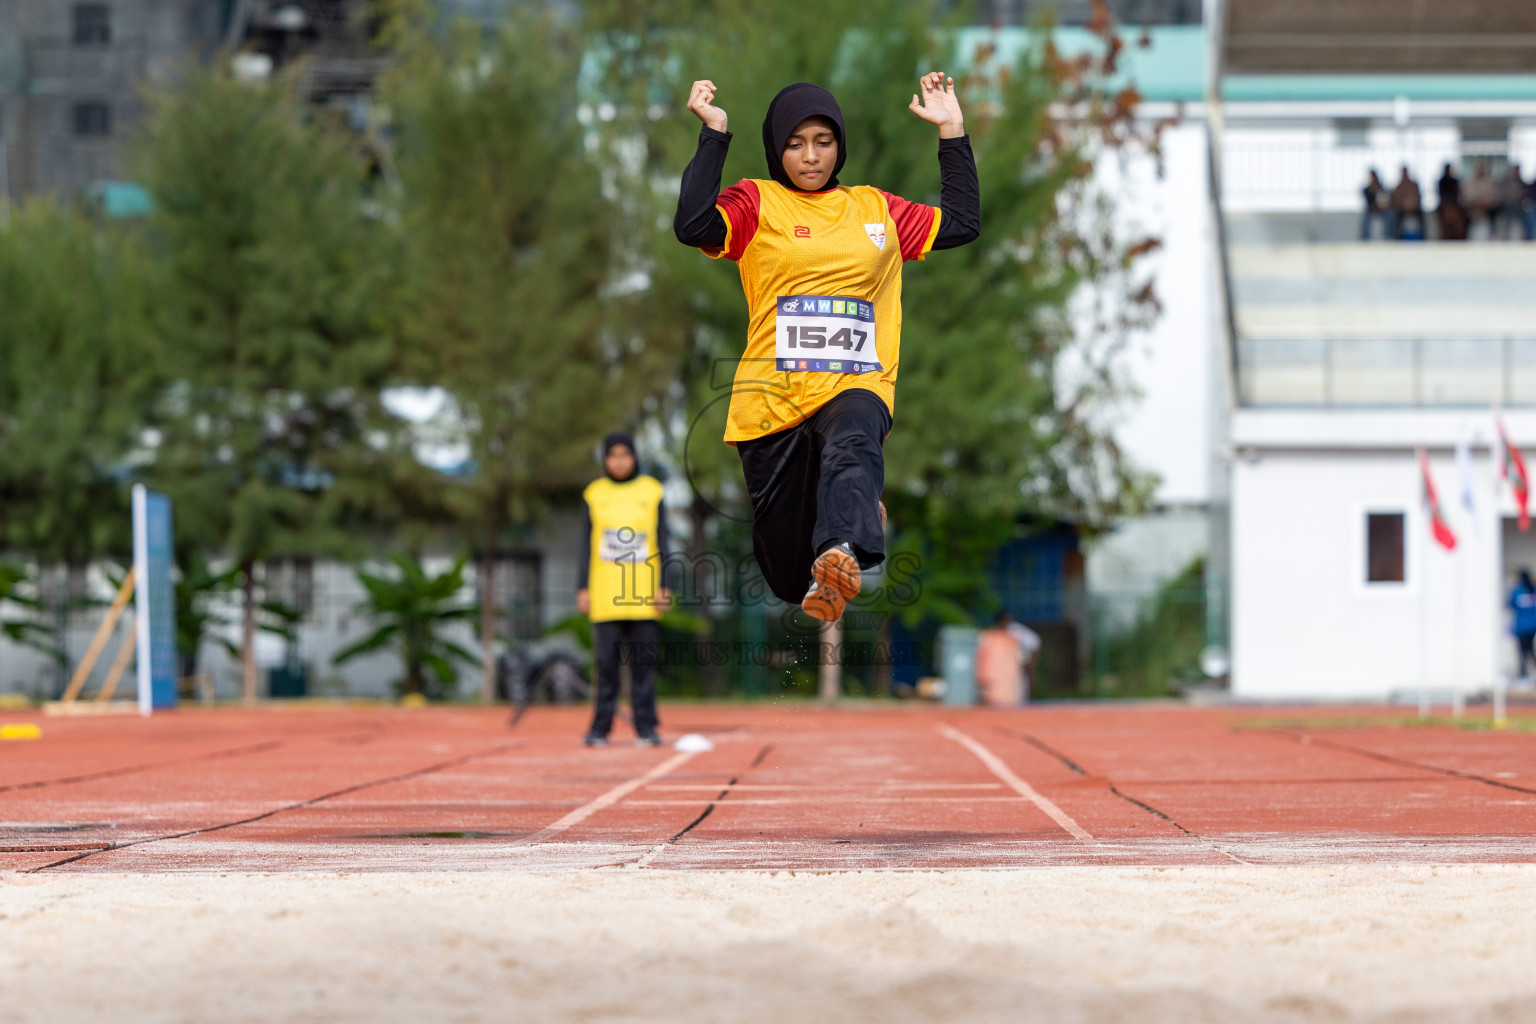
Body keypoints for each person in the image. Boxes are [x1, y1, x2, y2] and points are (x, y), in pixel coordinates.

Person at [673, 74, 980, 623]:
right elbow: (693, 224)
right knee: (791, 579)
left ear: (839, 146)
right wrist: (715, 133)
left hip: (854, 385)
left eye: (823, 141)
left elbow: (961, 223)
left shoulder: (874, 209)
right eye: (795, 144)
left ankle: (844, 539)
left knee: (854, 439)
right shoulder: (756, 202)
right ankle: (851, 509)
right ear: (775, 149)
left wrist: (952, 133)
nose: (810, 157)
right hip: (771, 405)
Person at [576, 432, 671, 747]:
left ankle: (646, 728)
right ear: (604, 459)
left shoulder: (652, 491)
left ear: (634, 457)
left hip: (644, 593)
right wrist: (582, 587)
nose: (619, 461)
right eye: (612, 455)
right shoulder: (594, 494)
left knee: (643, 667)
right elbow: (584, 546)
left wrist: (665, 584)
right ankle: (600, 729)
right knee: (606, 667)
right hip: (605, 594)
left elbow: (665, 542)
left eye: (625, 454)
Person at [1510, 569, 1536, 684]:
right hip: (1532, 625)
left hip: (1522, 626)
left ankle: (1523, 674)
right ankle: (1527, 674)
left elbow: (1510, 603)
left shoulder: (1518, 590)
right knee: (1530, 650)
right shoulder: (1532, 589)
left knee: (1522, 651)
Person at [1464, 162, 1498, 239]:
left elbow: (1493, 196)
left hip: (1487, 208)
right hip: (1474, 208)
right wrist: (1477, 203)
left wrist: (1486, 204)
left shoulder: (1489, 182)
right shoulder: (1470, 183)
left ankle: (1491, 236)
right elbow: (1468, 197)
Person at [1389, 165, 1423, 240]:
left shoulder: (1414, 185)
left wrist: (1412, 206)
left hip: (1414, 209)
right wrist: (1404, 206)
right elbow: (1395, 200)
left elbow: (1418, 198)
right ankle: (1396, 238)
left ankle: (1423, 237)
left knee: (1421, 217)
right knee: (1395, 217)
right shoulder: (1398, 186)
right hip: (1402, 210)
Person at [1435, 163, 1466, 241]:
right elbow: (1440, 194)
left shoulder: (1455, 181)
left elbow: (1457, 193)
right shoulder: (1441, 181)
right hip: (1444, 204)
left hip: (1454, 204)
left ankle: (1460, 236)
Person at [1497, 165, 1526, 241]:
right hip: (1506, 206)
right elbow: (1501, 195)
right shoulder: (1505, 182)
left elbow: (1523, 195)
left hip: (1517, 207)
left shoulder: (1521, 182)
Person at [1361, 169, 1388, 240]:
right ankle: (1364, 238)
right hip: (1371, 211)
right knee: (1367, 218)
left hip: (1382, 210)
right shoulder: (1366, 190)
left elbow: (1385, 201)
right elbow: (1369, 202)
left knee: (1389, 216)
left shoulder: (1382, 188)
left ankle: (1388, 236)